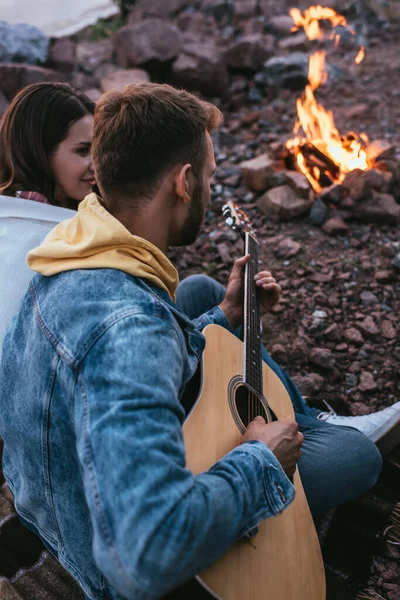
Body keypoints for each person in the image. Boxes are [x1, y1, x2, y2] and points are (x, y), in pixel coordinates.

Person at [0, 83, 388, 600]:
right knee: (354, 458)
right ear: (184, 182)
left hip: (45, 504)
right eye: (207, 176)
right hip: (88, 558)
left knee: (202, 299)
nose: (209, 187)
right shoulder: (131, 326)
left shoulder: (70, 253)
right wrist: (260, 462)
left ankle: (300, 419)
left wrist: (225, 314)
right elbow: (144, 557)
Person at [0, 82, 95, 600]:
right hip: (25, 441)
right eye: (82, 151)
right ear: (40, 152)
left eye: (100, 150)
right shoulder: (50, 240)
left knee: (201, 294)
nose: (96, 164)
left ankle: (312, 419)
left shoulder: (26, 217)